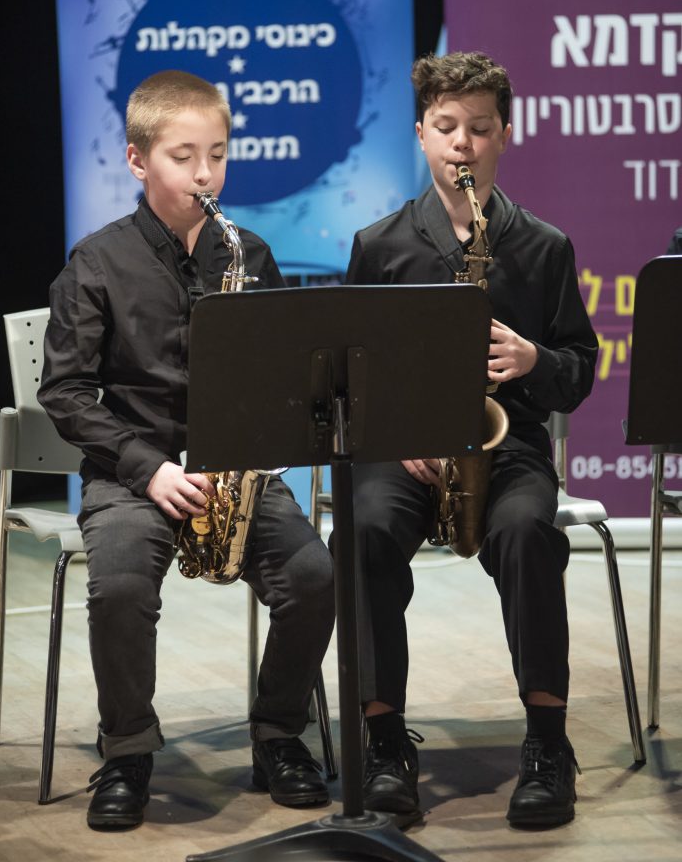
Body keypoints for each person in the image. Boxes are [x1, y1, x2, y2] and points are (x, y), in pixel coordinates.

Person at [38, 70, 335, 831]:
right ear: (138, 161)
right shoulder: (96, 261)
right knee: (119, 589)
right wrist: (150, 469)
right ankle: (128, 751)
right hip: (131, 475)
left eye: (218, 155)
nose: (206, 175)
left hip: (233, 470)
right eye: (184, 157)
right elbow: (65, 393)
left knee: (314, 576)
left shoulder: (250, 254)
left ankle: (278, 733)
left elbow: (285, 376)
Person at [345, 51, 598, 828]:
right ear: (421, 134)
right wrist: (397, 432)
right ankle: (385, 742)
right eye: (447, 127)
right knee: (365, 529)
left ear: (505, 135)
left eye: (480, 129)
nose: (463, 143)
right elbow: (349, 373)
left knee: (526, 533)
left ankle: (547, 743)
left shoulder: (544, 245)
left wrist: (534, 359)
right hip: (406, 448)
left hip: (506, 448)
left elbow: (579, 371)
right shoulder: (381, 244)